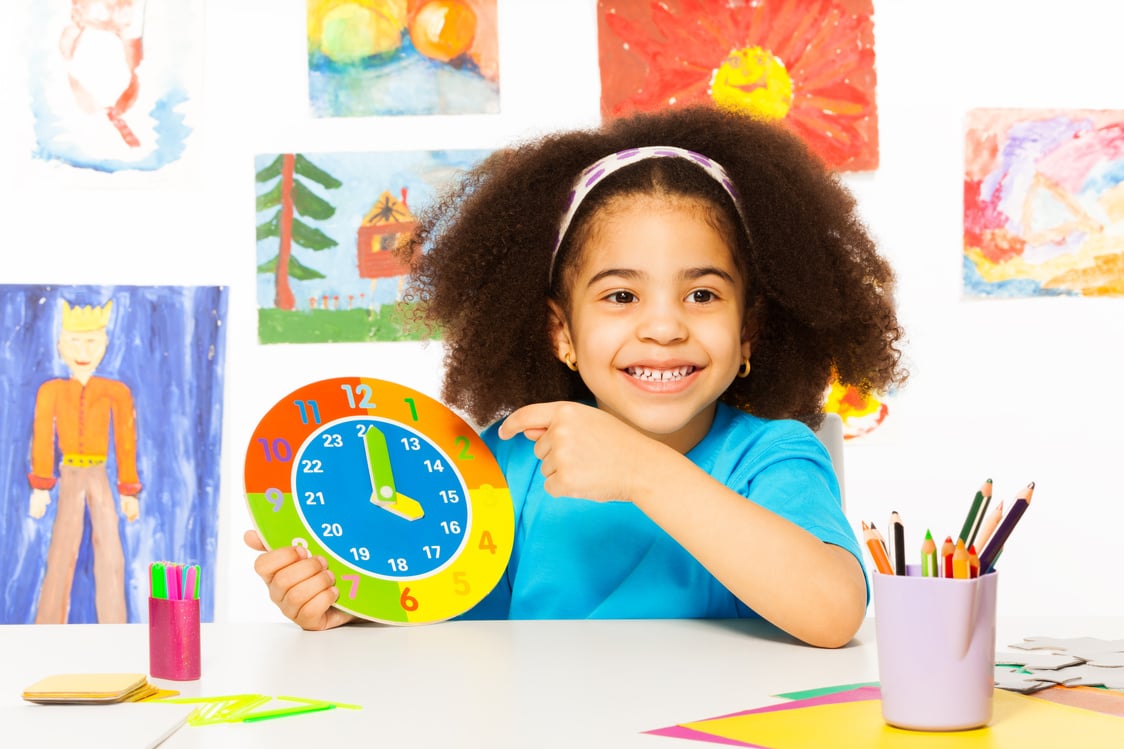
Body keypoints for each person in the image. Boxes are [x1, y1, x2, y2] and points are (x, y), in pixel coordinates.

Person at [245, 105, 907, 647]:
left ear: (748, 332)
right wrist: (356, 608)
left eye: (702, 295)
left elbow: (833, 612)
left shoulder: (771, 457)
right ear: (561, 332)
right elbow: (447, 632)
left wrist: (643, 470)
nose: (664, 326)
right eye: (621, 297)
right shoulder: (506, 465)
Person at [28, 299, 141, 623]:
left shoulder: (115, 391)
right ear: (61, 344)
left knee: (110, 552)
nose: (83, 349)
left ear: (104, 344)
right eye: (75, 341)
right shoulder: (50, 391)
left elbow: (125, 440)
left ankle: (115, 626)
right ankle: (46, 628)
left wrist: (128, 491)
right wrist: (41, 486)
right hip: (68, 475)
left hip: (99, 475)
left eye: (91, 341)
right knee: (61, 551)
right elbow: (42, 438)